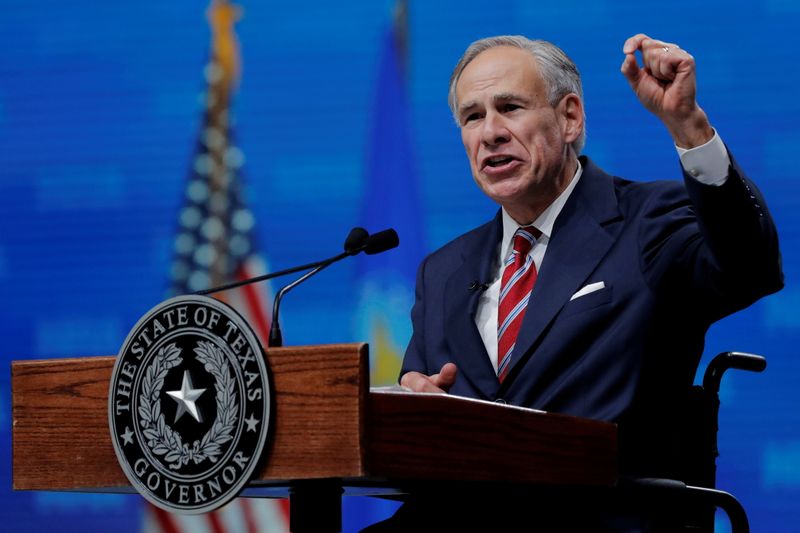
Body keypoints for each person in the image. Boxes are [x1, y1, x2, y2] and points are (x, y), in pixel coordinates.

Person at [375, 33, 783, 531]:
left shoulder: (647, 221)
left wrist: (688, 126)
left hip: (598, 516)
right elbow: (419, 417)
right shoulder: (443, 270)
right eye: (472, 116)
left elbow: (749, 268)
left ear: (570, 117)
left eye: (510, 107)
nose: (491, 132)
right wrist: (415, 411)